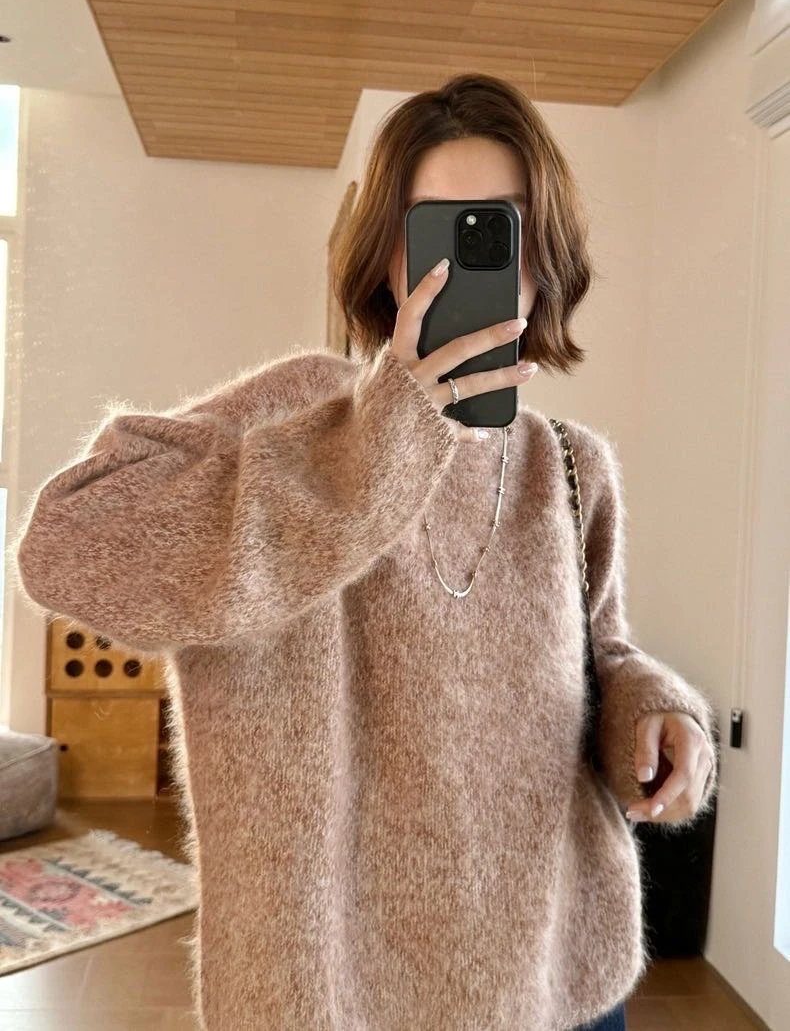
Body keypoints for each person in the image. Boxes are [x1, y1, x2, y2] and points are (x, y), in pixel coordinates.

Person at [12, 72, 718, 1031]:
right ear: (389, 256)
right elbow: (66, 542)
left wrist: (655, 712)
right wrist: (379, 442)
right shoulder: (305, 412)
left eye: (502, 225)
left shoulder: (569, 465)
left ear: (544, 251)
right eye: (438, 228)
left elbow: (605, 653)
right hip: (340, 994)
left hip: (561, 974)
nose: (470, 259)